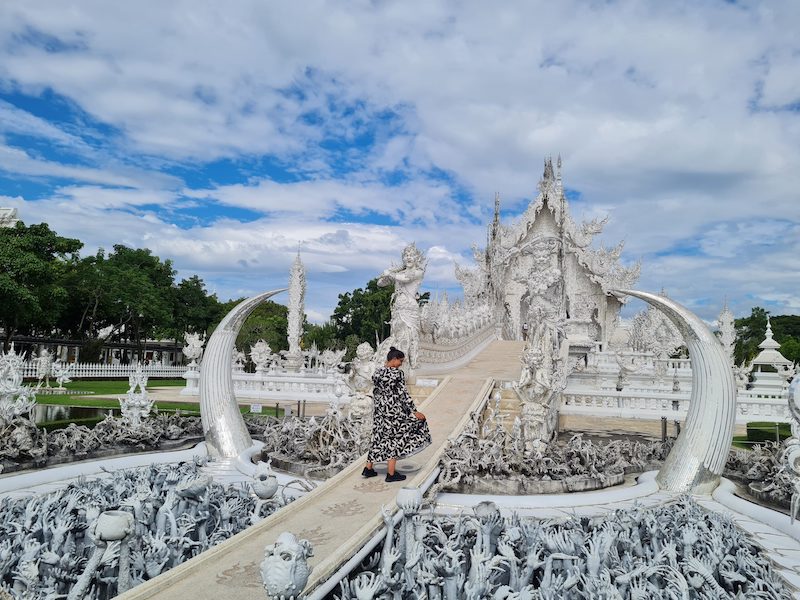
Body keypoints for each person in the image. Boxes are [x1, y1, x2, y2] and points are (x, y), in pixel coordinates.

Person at [362, 347, 432, 482]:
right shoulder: (397, 374)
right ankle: (391, 474)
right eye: (400, 361)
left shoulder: (377, 373)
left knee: (378, 437)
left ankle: (368, 468)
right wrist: (414, 411)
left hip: (380, 412)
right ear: (393, 359)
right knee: (394, 438)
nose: (401, 364)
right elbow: (403, 394)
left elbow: (376, 392)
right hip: (393, 412)